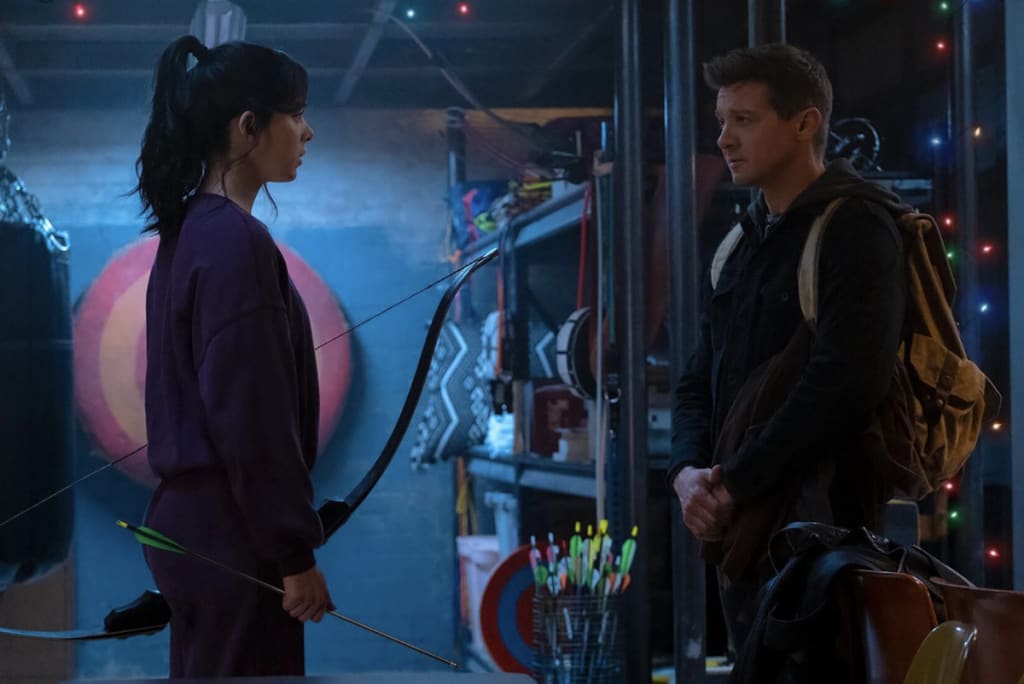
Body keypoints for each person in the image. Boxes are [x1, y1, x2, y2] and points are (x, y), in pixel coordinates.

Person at [668, 43, 909, 654]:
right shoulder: (740, 244)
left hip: (826, 542)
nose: (724, 139)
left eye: (744, 120)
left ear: (805, 124)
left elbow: (845, 385)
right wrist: (686, 475)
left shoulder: (856, 226)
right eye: (722, 120)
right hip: (742, 535)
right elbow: (697, 377)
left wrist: (731, 484)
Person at [135, 34, 330, 677]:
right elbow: (252, 418)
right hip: (234, 539)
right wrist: (293, 555)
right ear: (249, 127)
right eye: (294, 115)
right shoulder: (235, 243)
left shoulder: (188, 233)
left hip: (196, 531)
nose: (306, 132)